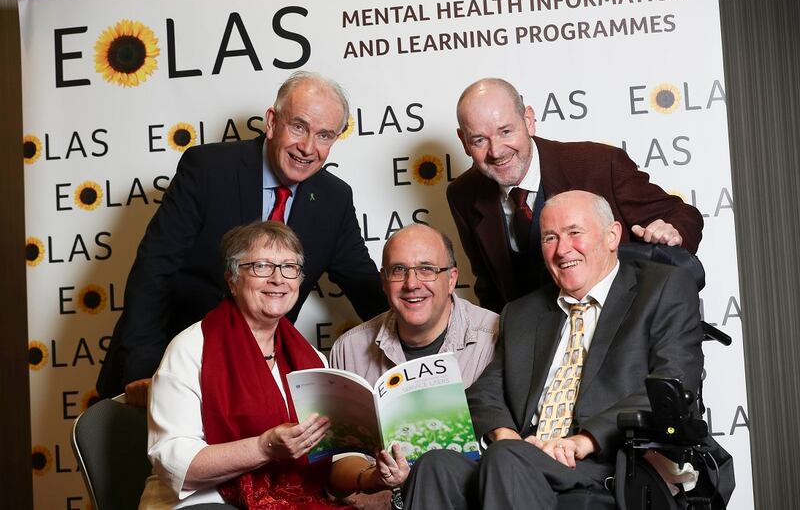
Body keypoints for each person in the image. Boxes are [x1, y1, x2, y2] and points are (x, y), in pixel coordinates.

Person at [401, 191, 734, 509]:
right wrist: (506, 437)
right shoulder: (523, 312)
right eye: (550, 238)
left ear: (612, 236)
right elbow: (486, 392)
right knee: (435, 466)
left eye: (575, 232)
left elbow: (672, 384)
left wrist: (584, 440)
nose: (562, 250)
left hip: (610, 462)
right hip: (525, 455)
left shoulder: (662, 289)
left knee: (507, 460)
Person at [98, 71, 387, 405]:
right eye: (298, 127)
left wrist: (422, 333)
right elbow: (154, 270)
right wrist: (145, 371)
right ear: (272, 121)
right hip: (169, 365)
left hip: (251, 383)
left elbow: (367, 290)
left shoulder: (332, 199)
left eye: (324, 136)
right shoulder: (207, 169)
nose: (308, 148)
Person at [140, 221, 408, 510]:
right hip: (206, 501)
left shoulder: (312, 360)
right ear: (232, 278)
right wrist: (264, 447)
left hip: (296, 500)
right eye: (262, 266)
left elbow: (330, 461)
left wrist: (373, 477)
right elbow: (173, 461)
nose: (278, 279)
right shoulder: (190, 348)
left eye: (289, 267)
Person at [447, 77, 705, 313]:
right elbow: (489, 287)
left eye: (506, 131)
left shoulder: (601, 165)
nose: (496, 151)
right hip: (535, 345)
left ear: (528, 120)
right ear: (463, 141)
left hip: (620, 327)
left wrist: (673, 229)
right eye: (480, 140)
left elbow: (682, 214)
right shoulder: (463, 195)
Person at [330, 223, 498, 388]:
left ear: (451, 279)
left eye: (426, 269)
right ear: (384, 281)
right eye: (398, 270)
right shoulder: (348, 351)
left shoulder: (496, 339)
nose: (411, 284)